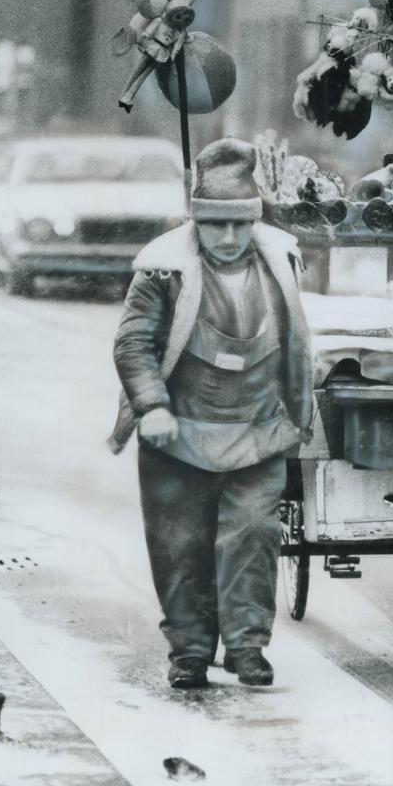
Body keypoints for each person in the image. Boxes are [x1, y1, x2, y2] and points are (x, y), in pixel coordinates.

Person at [111, 138, 313, 689]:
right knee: (181, 546)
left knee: (252, 538)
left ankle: (248, 648)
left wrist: (300, 413)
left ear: (254, 222)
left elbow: (297, 344)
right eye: (215, 225)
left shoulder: (280, 262)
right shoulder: (161, 271)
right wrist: (150, 405)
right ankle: (191, 651)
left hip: (258, 431)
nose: (228, 238)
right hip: (177, 435)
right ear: (195, 221)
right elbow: (133, 346)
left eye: (239, 225)